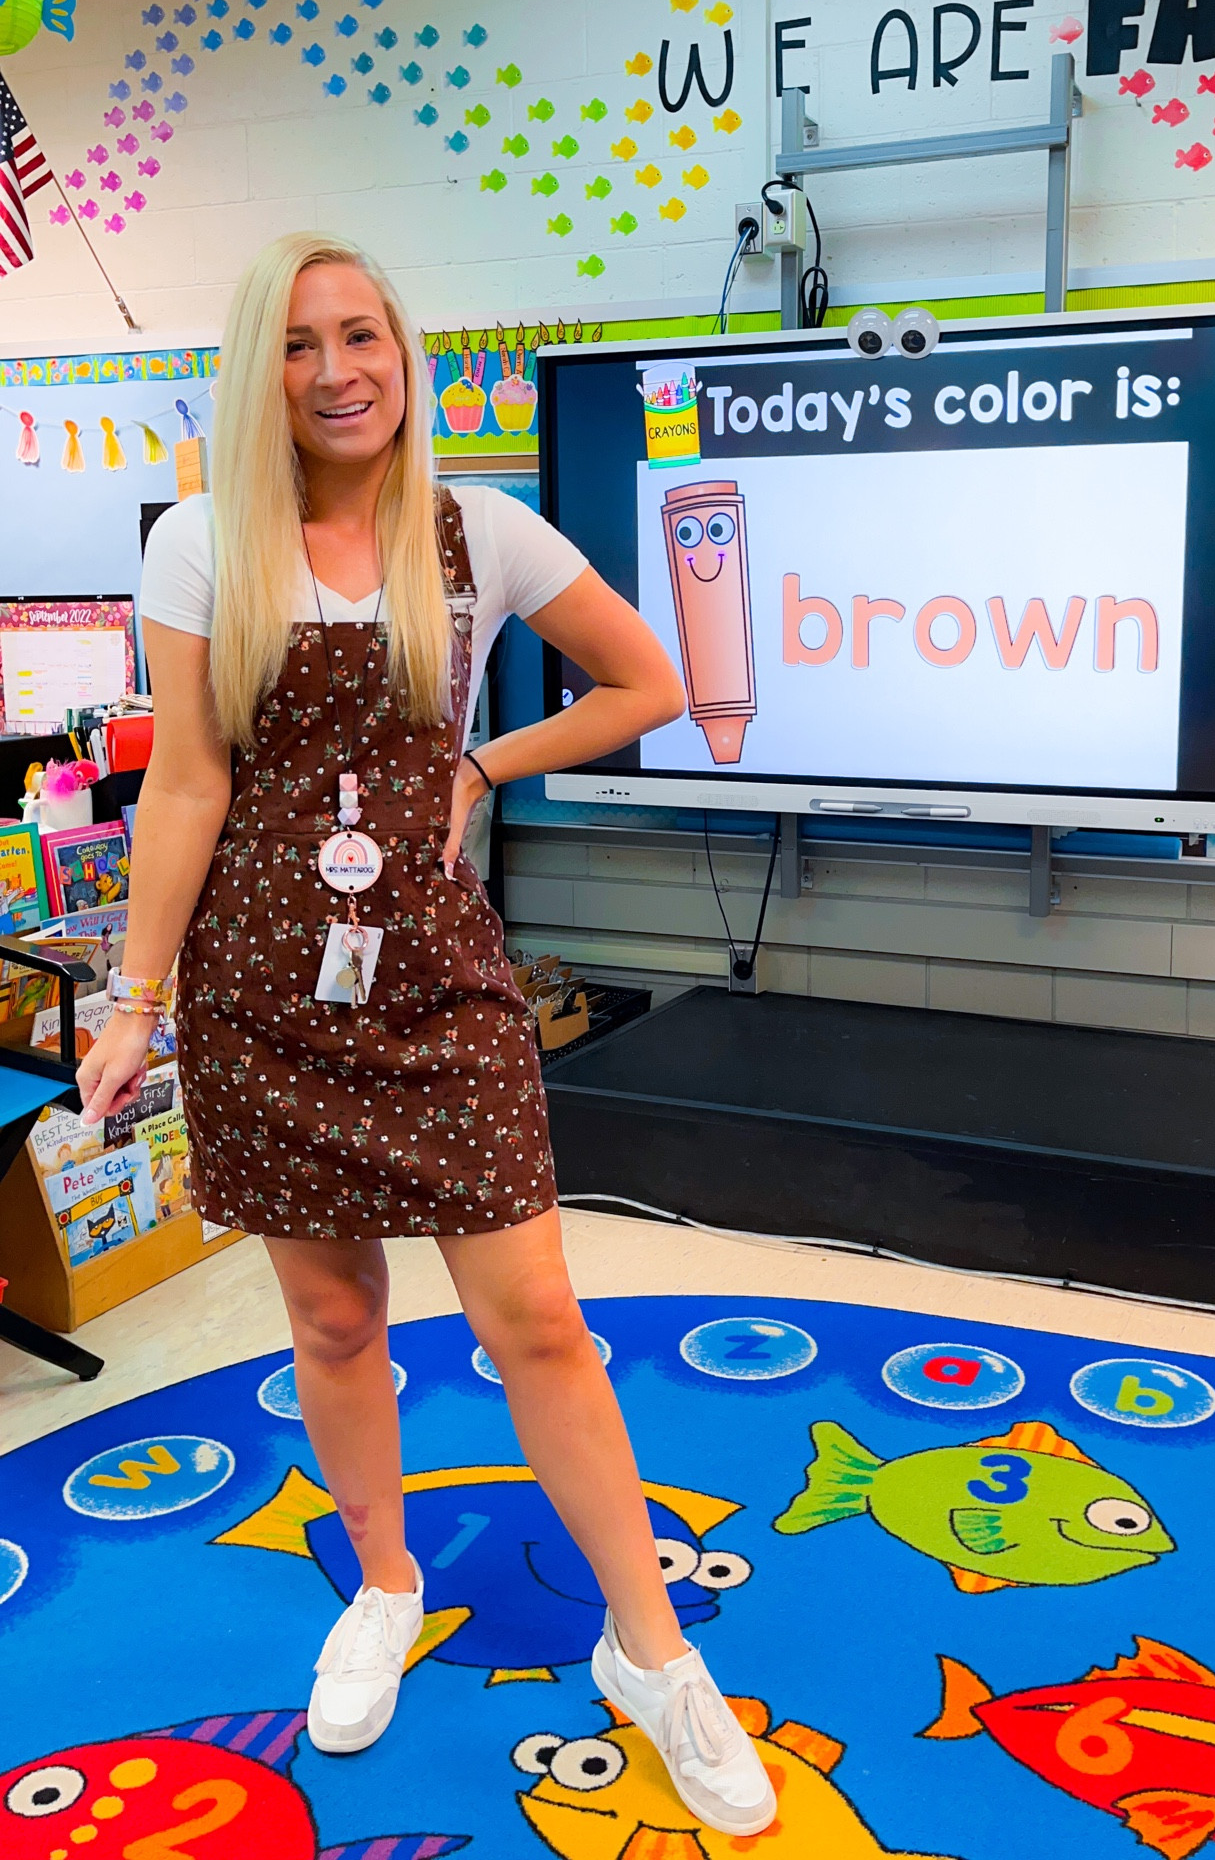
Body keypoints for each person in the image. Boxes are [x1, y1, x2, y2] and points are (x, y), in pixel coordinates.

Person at [78, 231, 777, 1838]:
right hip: (261, 985)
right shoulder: (202, 545)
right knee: (334, 1326)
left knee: (536, 1316)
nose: (339, 372)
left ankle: (651, 1651)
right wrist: (133, 996)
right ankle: (383, 1580)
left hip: (439, 976)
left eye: (365, 335)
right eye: (303, 345)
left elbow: (650, 682)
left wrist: (481, 768)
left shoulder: (484, 531)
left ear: (407, 351)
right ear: (262, 371)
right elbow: (186, 782)